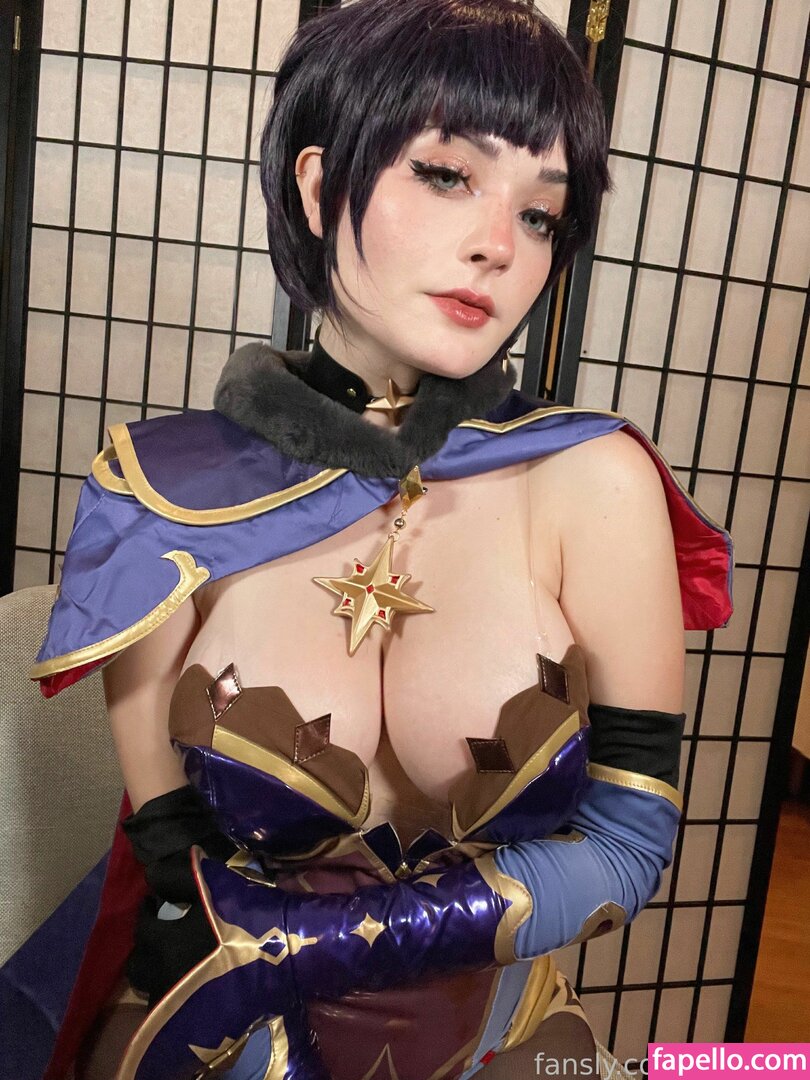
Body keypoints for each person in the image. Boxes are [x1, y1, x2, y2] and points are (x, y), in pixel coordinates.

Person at [21, 1, 734, 1077]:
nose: (499, 244)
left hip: (507, 1046)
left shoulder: (594, 479)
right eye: (447, 175)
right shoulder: (165, 493)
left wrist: (305, 946)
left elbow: (630, 844)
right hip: (224, 1042)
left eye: (541, 214)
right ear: (319, 187)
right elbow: (173, 860)